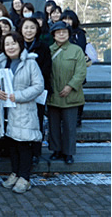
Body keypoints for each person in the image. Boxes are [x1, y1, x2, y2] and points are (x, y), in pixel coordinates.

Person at [0, 32, 44, 193]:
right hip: (7, 110)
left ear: (20, 44)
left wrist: (19, 96)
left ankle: (25, 177)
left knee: (24, 144)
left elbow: (38, 86)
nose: (10, 47)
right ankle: (15, 173)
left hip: (24, 109)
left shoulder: (30, 63)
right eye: (7, 44)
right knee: (12, 143)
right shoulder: (1, 63)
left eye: (13, 43)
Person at [47, 21, 87, 165]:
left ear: (69, 34)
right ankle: (56, 150)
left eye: (64, 32)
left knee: (70, 126)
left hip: (71, 94)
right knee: (54, 125)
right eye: (58, 32)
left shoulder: (76, 50)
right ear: (53, 35)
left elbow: (81, 71)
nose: (61, 34)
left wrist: (71, 86)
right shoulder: (49, 50)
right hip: (53, 94)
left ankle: (68, 152)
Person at [19, 18, 52, 165]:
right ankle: (21, 151)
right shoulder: (17, 46)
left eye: (32, 28)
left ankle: (36, 152)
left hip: (38, 91)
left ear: (37, 30)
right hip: (20, 90)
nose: (29, 31)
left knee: (36, 121)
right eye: (26, 28)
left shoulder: (43, 47)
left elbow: (46, 69)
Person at [60, 9, 87, 126]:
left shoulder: (79, 33)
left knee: (77, 92)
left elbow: (80, 48)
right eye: (64, 19)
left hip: (77, 67)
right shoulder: (59, 33)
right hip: (63, 67)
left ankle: (78, 117)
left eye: (69, 19)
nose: (67, 21)